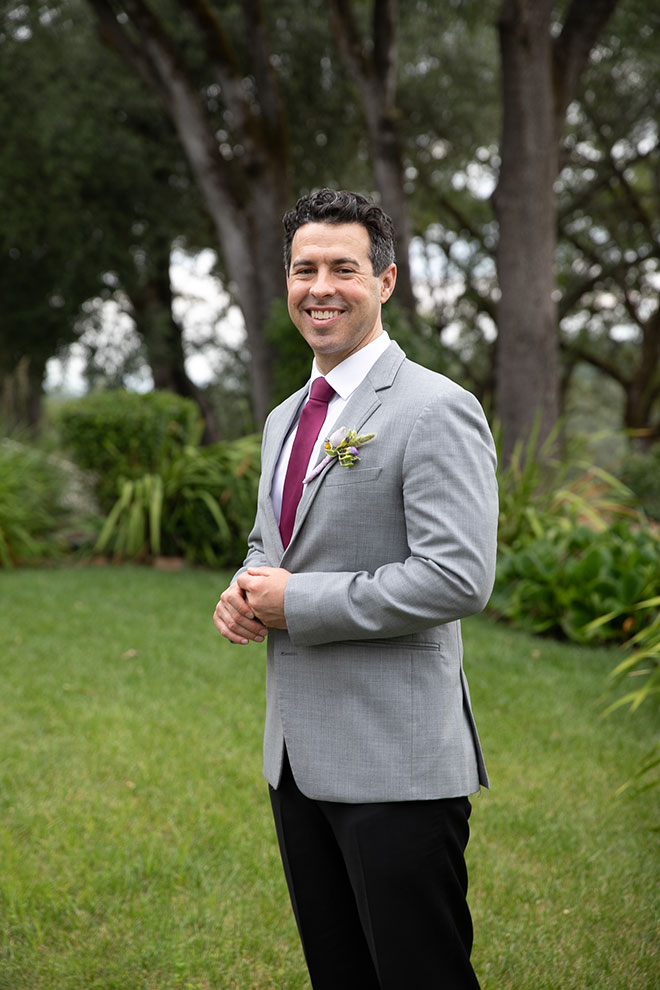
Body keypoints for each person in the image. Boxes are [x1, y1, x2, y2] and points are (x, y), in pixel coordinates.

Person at [213, 188, 498, 990]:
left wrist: (295, 602)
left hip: (395, 762)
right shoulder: (285, 417)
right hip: (296, 760)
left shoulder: (435, 408)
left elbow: (457, 576)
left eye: (343, 268)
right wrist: (245, 587)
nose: (321, 288)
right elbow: (274, 544)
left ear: (386, 281)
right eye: (304, 269)